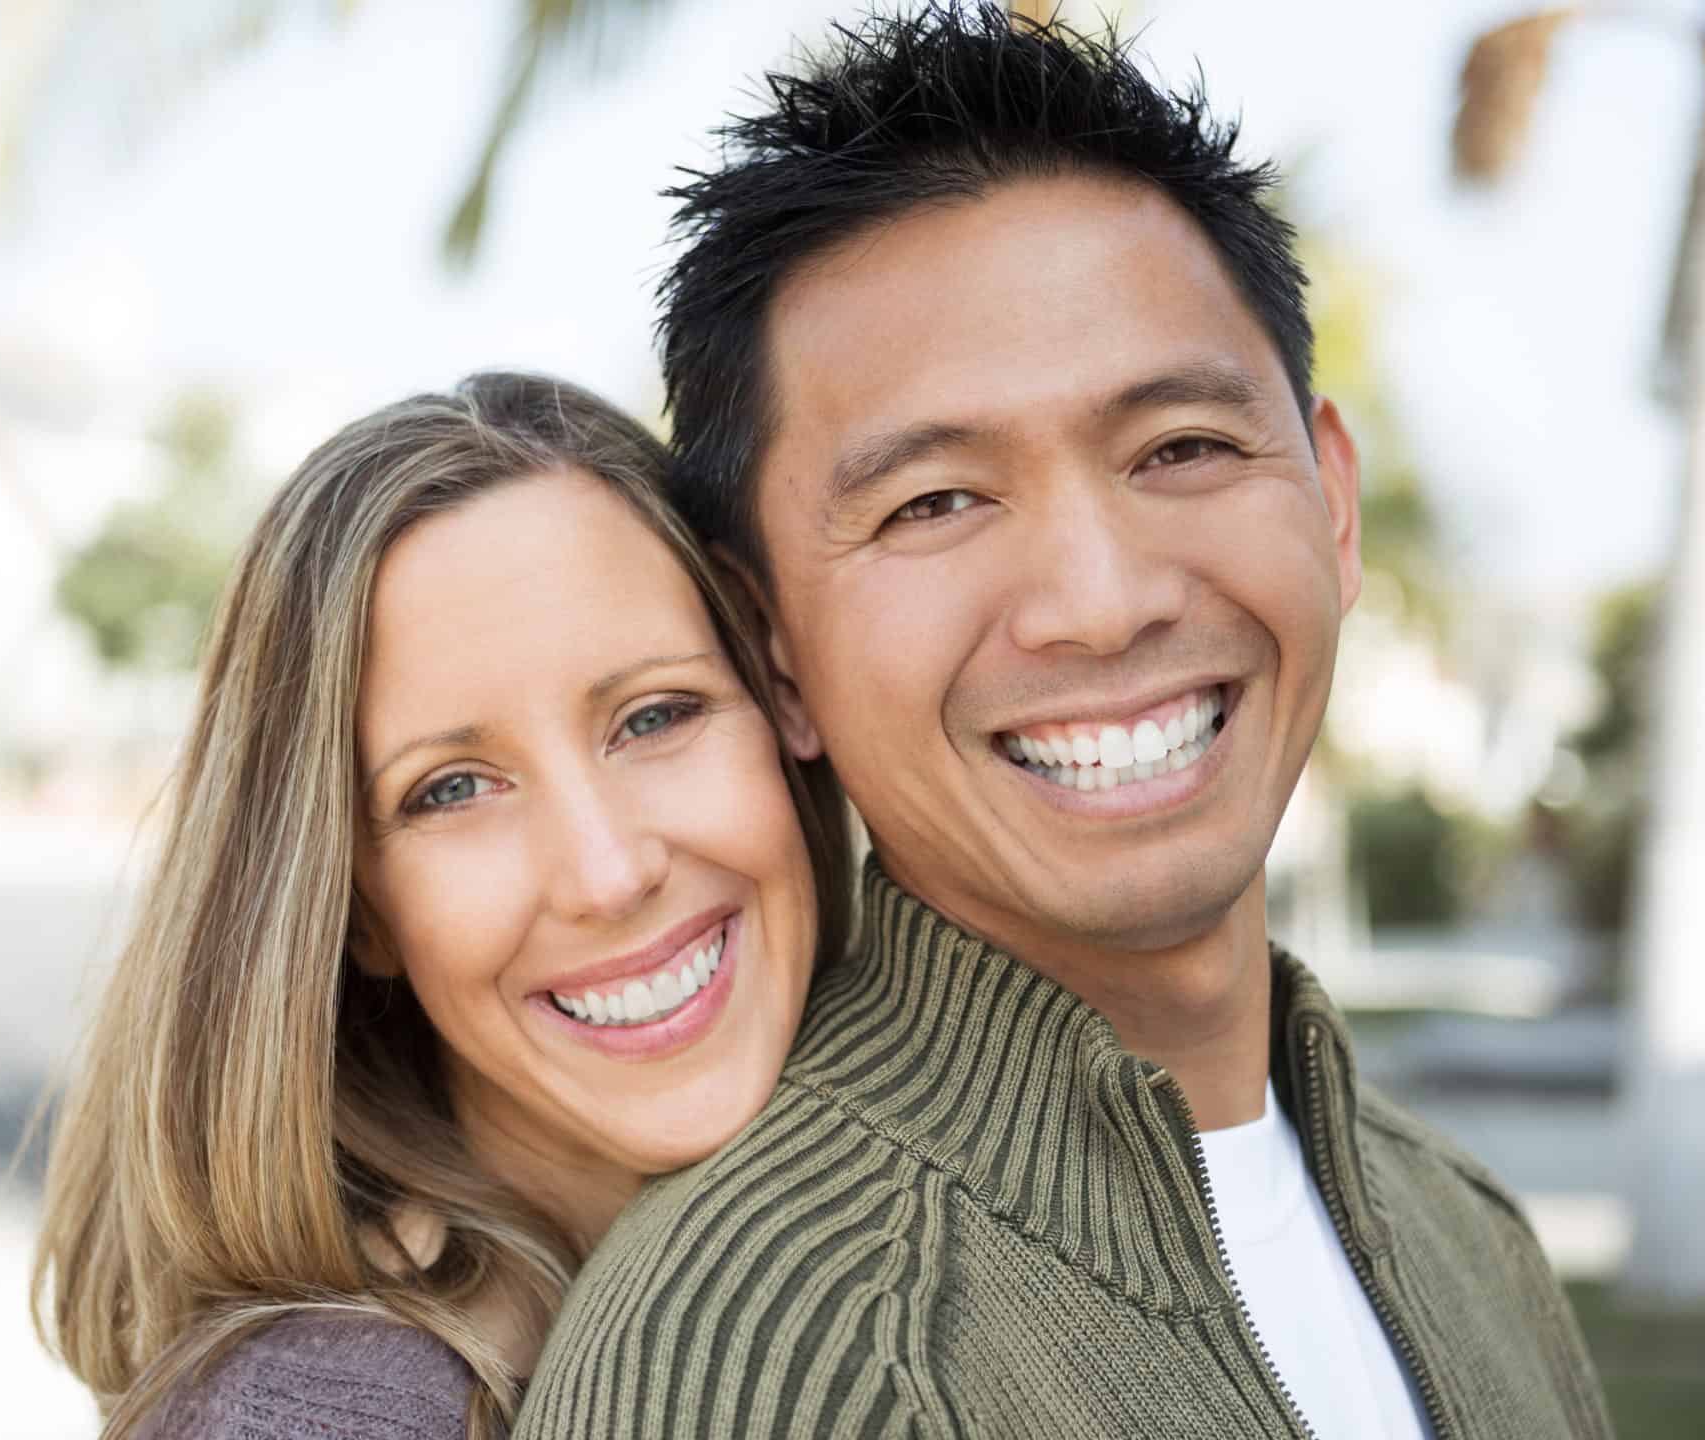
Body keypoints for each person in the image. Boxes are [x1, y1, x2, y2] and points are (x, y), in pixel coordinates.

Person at [515, 8, 1615, 1438]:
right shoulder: (768, 1360)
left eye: (1183, 448)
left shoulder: (1462, 1230)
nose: (1100, 605)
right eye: (936, 503)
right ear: (771, 642)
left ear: (1330, 504)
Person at [32, 372, 853, 1439]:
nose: (607, 873)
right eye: (451, 790)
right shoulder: (327, 1413)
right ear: (355, 910)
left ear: (777, 691)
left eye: (655, 716)